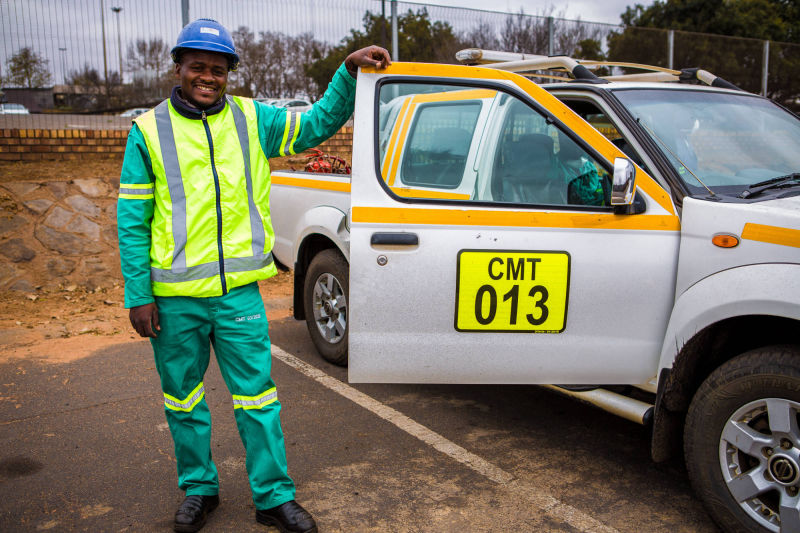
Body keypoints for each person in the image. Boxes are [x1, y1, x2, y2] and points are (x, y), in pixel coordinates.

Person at [116, 18, 390, 533]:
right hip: (173, 299)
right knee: (183, 400)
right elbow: (132, 220)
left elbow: (316, 124)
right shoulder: (148, 131)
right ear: (178, 68)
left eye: (218, 70)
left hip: (238, 295)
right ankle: (199, 489)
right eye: (198, 66)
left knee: (258, 399)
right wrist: (139, 294)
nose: (208, 77)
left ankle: (273, 497)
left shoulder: (251, 119)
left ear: (229, 75)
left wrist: (348, 73)